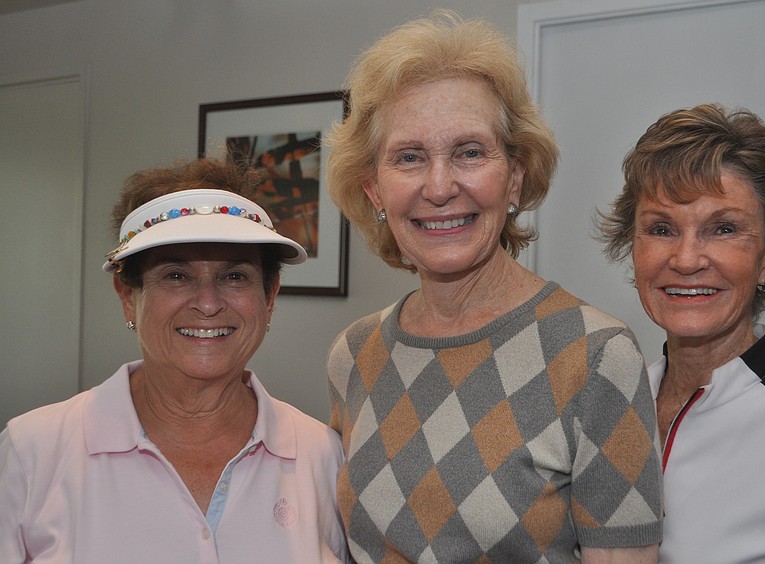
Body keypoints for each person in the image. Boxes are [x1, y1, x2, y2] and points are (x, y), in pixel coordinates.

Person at [324, 11, 662, 563]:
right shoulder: (354, 355)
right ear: (374, 191)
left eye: (470, 152)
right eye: (409, 158)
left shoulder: (596, 356)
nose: (439, 186)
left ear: (516, 178)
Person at [0, 159, 348, 562]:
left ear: (269, 297)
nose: (207, 303)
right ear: (128, 297)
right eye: (175, 276)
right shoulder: (32, 454)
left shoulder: (323, 457)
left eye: (235, 276)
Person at [597, 103, 765, 562]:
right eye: (661, 229)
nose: (687, 259)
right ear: (631, 250)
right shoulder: (606, 407)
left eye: (724, 228)